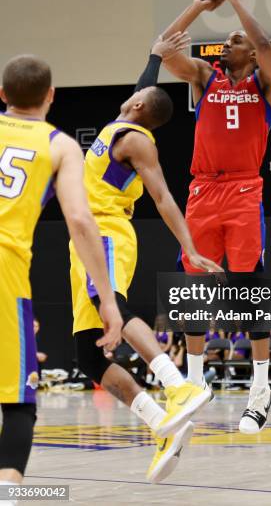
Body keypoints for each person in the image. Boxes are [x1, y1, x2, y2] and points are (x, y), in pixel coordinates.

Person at [69, 33, 223, 483]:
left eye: (136, 94)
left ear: (138, 107)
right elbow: (146, 83)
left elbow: (162, 196)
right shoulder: (122, 127)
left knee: (114, 304)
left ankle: (179, 385)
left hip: (105, 232)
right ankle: (164, 425)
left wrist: (190, 245)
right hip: (84, 239)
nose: (133, 92)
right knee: (88, 356)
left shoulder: (137, 140)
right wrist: (157, 53)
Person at [161, 0, 271, 434]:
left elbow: (266, 44)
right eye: (228, 37)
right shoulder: (204, 78)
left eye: (235, 40)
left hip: (243, 191)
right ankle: (194, 387)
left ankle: (259, 391)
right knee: (193, 290)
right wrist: (198, 4)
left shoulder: (265, 85)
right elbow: (166, 49)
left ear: (251, 55)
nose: (227, 41)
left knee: (248, 292)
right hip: (202, 191)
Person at [0, 55, 122, 505]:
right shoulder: (61, 145)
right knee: (17, 401)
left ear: (2, 96)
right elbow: (80, 220)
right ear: (51, 96)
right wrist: (106, 299)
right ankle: (7, 491)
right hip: (5, 268)